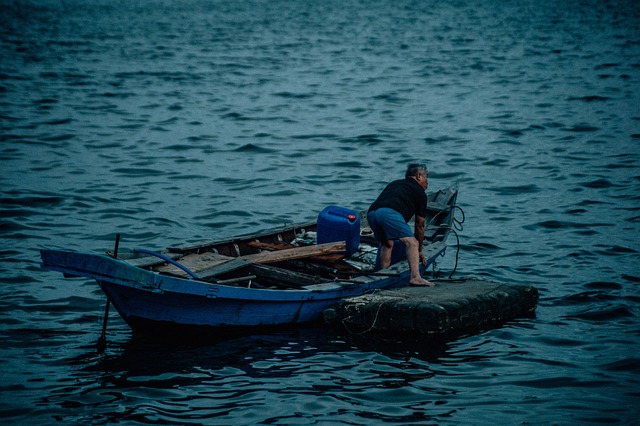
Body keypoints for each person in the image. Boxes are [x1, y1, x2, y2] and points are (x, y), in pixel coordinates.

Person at [367, 163, 433, 286]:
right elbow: (419, 225)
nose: (427, 182)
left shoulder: (395, 183)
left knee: (387, 243)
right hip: (388, 213)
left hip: (372, 213)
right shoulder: (420, 192)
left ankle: (383, 276)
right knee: (412, 243)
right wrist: (418, 251)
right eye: (426, 177)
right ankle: (415, 277)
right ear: (419, 176)